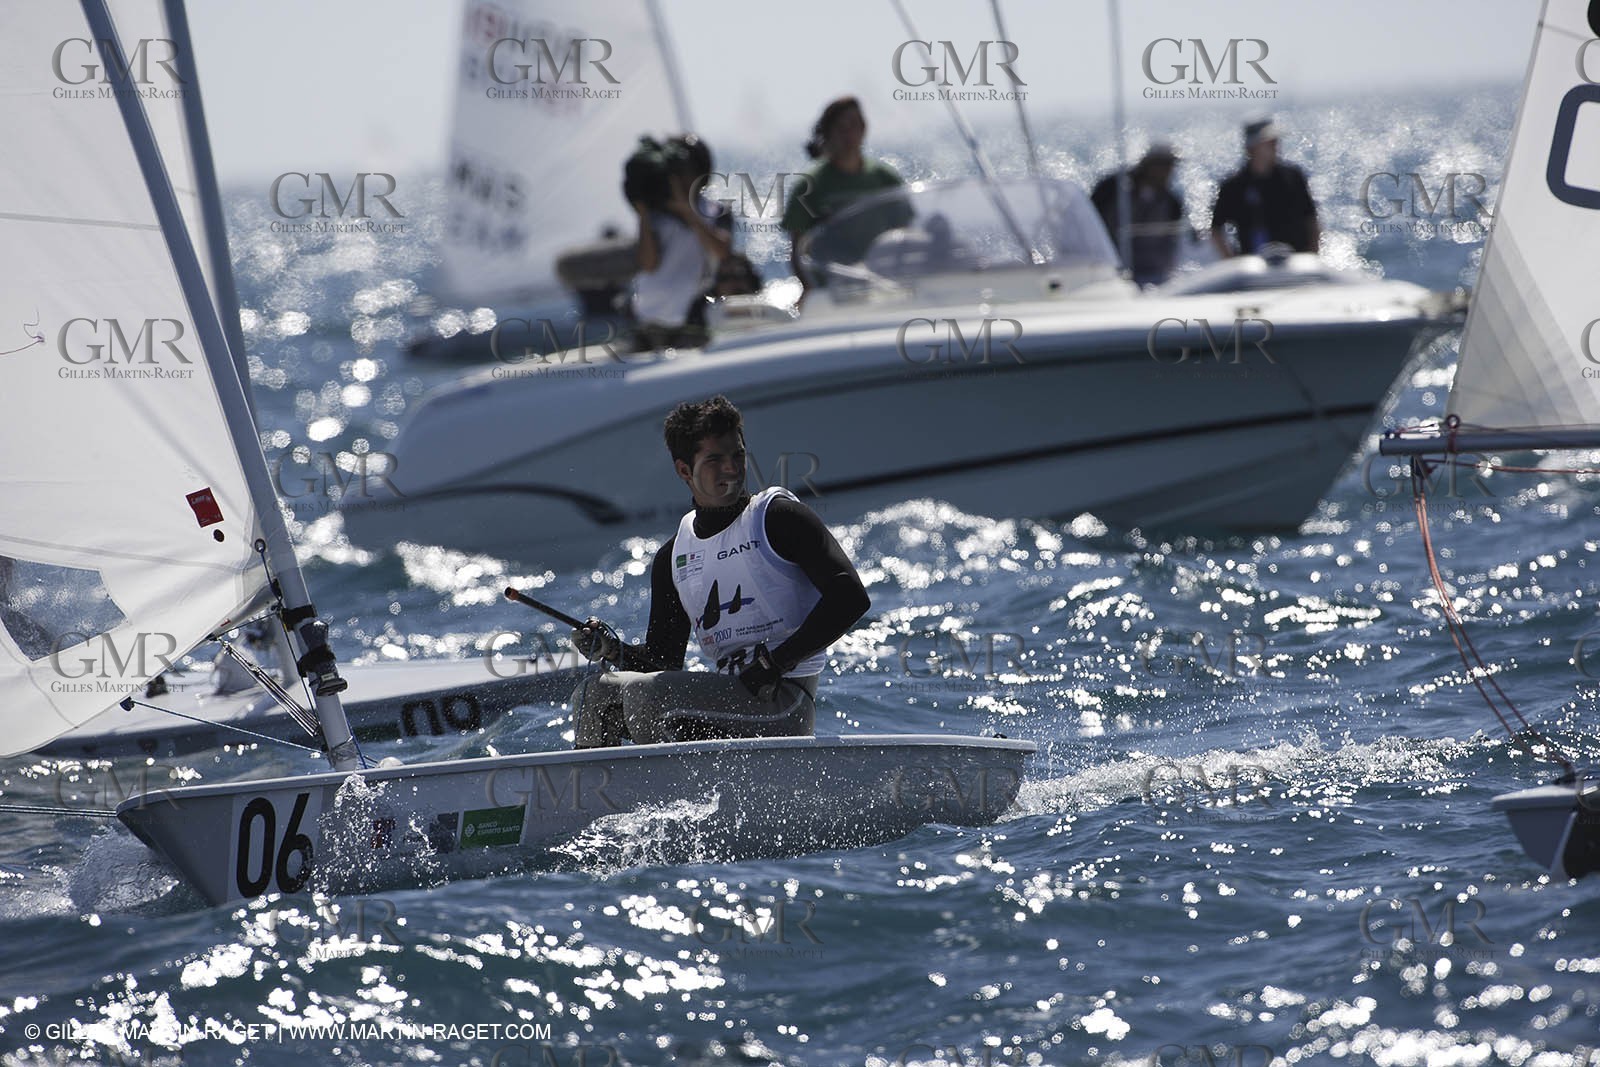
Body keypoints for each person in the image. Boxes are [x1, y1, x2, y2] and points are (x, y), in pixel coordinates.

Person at [567, 395, 870, 748]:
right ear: (684, 471)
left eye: (738, 455)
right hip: (726, 703)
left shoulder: (778, 518)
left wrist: (775, 663)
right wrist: (612, 650)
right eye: (715, 459)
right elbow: (663, 662)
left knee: (646, 695)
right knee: (593, 694)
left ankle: (670, 782)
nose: (732, 469)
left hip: (783, 704)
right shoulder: (672, 557)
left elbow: (851, 597)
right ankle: (595, 783)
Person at [780, 96, 912, 291]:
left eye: (855, 125)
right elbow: (798, 251)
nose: (849, 133)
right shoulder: (809, 186)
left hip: (884, 283)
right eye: (842, 127)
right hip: (834, 289)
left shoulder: (884, 178)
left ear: (864, 128)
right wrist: (810, 290)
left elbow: (906, 231)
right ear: (828, 132)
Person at [631, 134, 733, 349]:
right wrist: (642, 213)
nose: (678, 177)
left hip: (694, 314)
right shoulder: (656, 217)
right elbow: (648, 264)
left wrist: (688, 212)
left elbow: (722, 251)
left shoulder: (715, 211)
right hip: (650, 318)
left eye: (685, 170)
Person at [1210, 119, 1320, 258]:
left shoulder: (1293, 177)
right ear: (1252, 147)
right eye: (1269, 142)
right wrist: (1230, 260)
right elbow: (1216, 228)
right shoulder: (1233, 186)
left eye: (1275, 141)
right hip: (1252, 264)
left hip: (1295, 260)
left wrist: (1312, 254)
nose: (1275, 146)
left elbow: (1311, 218)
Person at [1090, 144, 1191, 287]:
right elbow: (1093, 222)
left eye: (1170, 166)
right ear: (1148, 165)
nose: (1167, 171)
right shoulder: (1112, 189)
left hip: (1155, 274)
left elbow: (1173, 242)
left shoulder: (1171, 202)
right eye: (1162, 165)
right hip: (1113, 269)